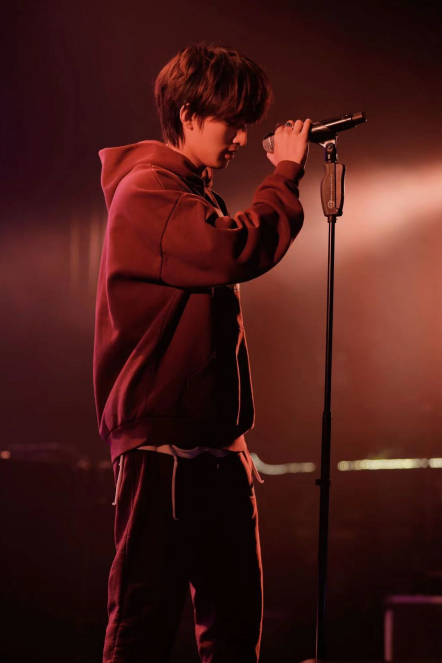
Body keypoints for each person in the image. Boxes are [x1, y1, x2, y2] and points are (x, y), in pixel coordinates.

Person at [93, 41, 311, 663]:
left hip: (215, 447)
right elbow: (234, 249)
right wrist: (284, 176)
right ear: (189, 114)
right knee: (142, 627)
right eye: (231, 121)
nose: (240, 137)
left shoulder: (192, 195)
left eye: (245, 123)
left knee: (234, 632)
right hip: (165, 452)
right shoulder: (147, 190)